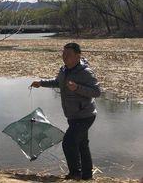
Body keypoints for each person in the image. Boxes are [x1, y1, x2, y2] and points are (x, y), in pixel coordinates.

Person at [30, 42, 101, 180]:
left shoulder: (85, 72)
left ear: (78, 55)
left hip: (85, 115)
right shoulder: (64, 70)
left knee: (68, 142)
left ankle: (75, 174)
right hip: (72, 115)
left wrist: (77, 88)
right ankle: (86, 176)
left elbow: (97, 92)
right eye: (63, 53)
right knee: (82, 144)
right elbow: (58, 82)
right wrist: (41, 83)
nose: (65, 56)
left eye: (68, 54)